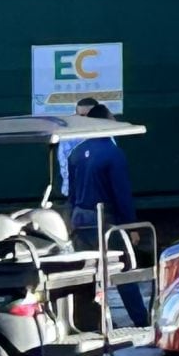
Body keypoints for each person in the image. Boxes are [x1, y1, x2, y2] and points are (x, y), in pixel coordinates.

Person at [67, 103, 147, 326]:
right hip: (103, 219)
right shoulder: (113, 154)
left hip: (79, 217)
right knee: (122, 268)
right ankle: (141, 320)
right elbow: (122, 195)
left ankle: (88, 322)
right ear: (105, 122)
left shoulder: (76, 153)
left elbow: (71, 194)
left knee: (86, 273)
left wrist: (70, 220)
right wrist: (130, 227)